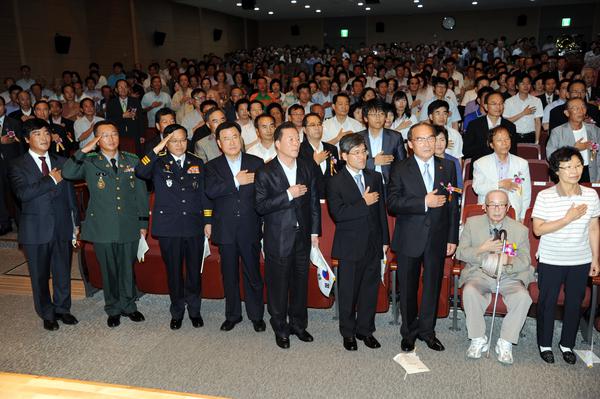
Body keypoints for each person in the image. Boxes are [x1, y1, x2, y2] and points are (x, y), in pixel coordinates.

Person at [62, 120, 149, 328]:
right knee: (108, 270)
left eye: (114, 134)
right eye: (105, 135)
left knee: (127, 268)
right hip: (102, 226)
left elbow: (141, 193)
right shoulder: (90, 161)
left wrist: (143, 222)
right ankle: (113, 308)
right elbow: (67, 173)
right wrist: (84, 150)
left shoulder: (132, 160)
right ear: (97, 140)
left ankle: (129, 305)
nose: (111, 138)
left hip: (128, 224)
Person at [387, 122, 459, 352]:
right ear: (410, 144)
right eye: (421, 139)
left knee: (432, 286)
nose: (428, 143)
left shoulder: (447, 167)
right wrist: (423, 202)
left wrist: (452, 237)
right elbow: (392, 203)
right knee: (407, 287)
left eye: (431, 138)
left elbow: (453, 206)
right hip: (410, 236)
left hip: (438, 237)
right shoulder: (400, 168)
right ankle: (408, 332)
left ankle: (428, 331)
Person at [135, 124, 210, 330]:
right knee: (174, 272)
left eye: (183, 140)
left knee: (194, 272)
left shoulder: (197, 162)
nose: (179, 144)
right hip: (169, 227)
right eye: (174, 140)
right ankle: (177, 311)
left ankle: (194, 310)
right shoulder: (158, 162)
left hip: (193, 225)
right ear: (166, 142)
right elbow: (140, 171)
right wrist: (158, 148)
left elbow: (204, 194)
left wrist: (208, 220)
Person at [8, 119, 80, 331]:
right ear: (26, 139)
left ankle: (63, 309)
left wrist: (75, 222)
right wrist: (50, 179)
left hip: (63, 225)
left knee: (63, 271)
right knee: (39, 276)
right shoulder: (17, 165)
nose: (44, 138)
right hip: (35, 229)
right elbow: (23, 194)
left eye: (47, 133)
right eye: (38, 134)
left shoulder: (62, 161)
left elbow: (70, 196)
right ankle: (47, 313)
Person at [254, 122, 321, 349]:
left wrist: (314, 232)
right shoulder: (265, 171)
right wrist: (288, 195)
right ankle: (280, 327)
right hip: (278, 238)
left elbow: (313, 203)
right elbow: (261, 206)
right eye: (291, 139)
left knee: (300, 284)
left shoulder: (307, 166)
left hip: (303, 237)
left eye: (297, 138)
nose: (296, 143)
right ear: (277, 143)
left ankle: (299, 325)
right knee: (278, 286)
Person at [532, 146, 600, 365]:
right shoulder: (545, 196)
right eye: (568, 166)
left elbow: (594, 228)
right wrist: (567, 218)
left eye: (578, 165)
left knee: (574, 303)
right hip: (552, 259)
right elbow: (538, 229)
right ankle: (544, 344)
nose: (574, 170)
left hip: (580, 259)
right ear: (556, 170)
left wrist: (595, 259)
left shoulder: (591, 195)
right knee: (547, 303)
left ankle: (567, 344)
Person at [455, 190, 534, 364]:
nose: (497, 209)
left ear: (508, 208)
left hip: (508, 276)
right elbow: (460, 252)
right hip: (480, 273)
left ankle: (505, 341)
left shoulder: (520, 230)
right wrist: (481, 249)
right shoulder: (472, 224)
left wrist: (509, 260)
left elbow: (526, 260)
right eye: (492, 205)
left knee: (523, 297)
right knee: (469, 291)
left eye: (502, 205)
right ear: (485, 207)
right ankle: (478, 338)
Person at [327, 133, 389, 351]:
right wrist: (363, 203)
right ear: (344, 156)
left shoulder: (374, 177)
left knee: (369, 291)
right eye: (356, 153)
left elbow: (381, 211)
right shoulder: (335, 181)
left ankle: (366, 330)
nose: (362, 156)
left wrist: (384, 240)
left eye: (364, 151)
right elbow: (338, 213)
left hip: (373, 243)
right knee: (348, 292)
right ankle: (348, 333)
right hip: (349, 245)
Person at [205, 122, 266, 333]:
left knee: (253, 274)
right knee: (229, 275)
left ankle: (257, 315)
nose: (231, 142)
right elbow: (211, 191)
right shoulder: (212, 166)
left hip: (250, 227)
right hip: (226, 229)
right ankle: (232, 315)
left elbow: (263, 195)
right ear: (219, 143)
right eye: (226, 139)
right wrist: (235, 181)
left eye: (235, 137)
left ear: (240, 139)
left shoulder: (256, 163)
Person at [473, 126, 531, 221]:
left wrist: (523, 216)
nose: (504, 143)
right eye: (499, 140)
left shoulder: (522, 164)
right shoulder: (480, 163)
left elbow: (526, 193)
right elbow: (477, 188)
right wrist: (500, 184)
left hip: (514, 211)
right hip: (488, 211)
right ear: (491, 144)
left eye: (507, 139)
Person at [547, 98, 600, 183]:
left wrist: (598, 178)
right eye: (575, 108)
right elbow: (551, 157)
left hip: (590, 173)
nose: (581, 111)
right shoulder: (557, 132)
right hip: (568, 173)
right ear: (567, 113)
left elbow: (598, 155)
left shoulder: (595, 130)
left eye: (583, 107)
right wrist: (574, 149)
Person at [358, 99, 406, 185]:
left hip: (389, 186)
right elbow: (351, 163)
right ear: (365, 118)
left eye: (381, 114)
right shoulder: (357, 138)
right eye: (373, 114)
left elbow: (402, 164)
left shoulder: (395, 137)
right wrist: (373, 162)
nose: (378, 118)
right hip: (364, 184)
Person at [464, 92, 518, 164]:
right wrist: (489, 145)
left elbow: (513, 152)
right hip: (480, 166)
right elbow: (466, 151)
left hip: (503, 166)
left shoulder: (510, 126)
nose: (498, 107)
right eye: (494, 104)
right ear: (486, 106)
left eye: (501, 103)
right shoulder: (474, 125)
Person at [299, 113, 339, 198]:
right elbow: (300, 178)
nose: (317, 128)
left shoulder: (332, 149)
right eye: (312, 125)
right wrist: (315, 163)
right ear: (305, 130)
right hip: (310, 198)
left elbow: (336, 174)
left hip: (331, 198)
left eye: (319, 124)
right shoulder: (299, 150)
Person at [106, 79, 144, 155]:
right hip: (118, 134)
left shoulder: (135, 101)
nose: (123, 89)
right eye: (120, 87)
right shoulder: (111, 103)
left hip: (134, 134)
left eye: (125, 87)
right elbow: (109, 121)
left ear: (128, 89)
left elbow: (141, 119)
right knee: (120, 156)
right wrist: (122, 116)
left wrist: (142, 135)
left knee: (136, 156)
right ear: (116, 90)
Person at [503, 74, 543, 144]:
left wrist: (537, 141)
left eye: (528, 83)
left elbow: (537, 122)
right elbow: (506, 121)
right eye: (522, 83)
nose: (526, 86)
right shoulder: (509, 101)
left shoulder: (537, 101)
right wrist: (523, 113)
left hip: (531, 136)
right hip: (514, 136)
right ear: (517, 86)